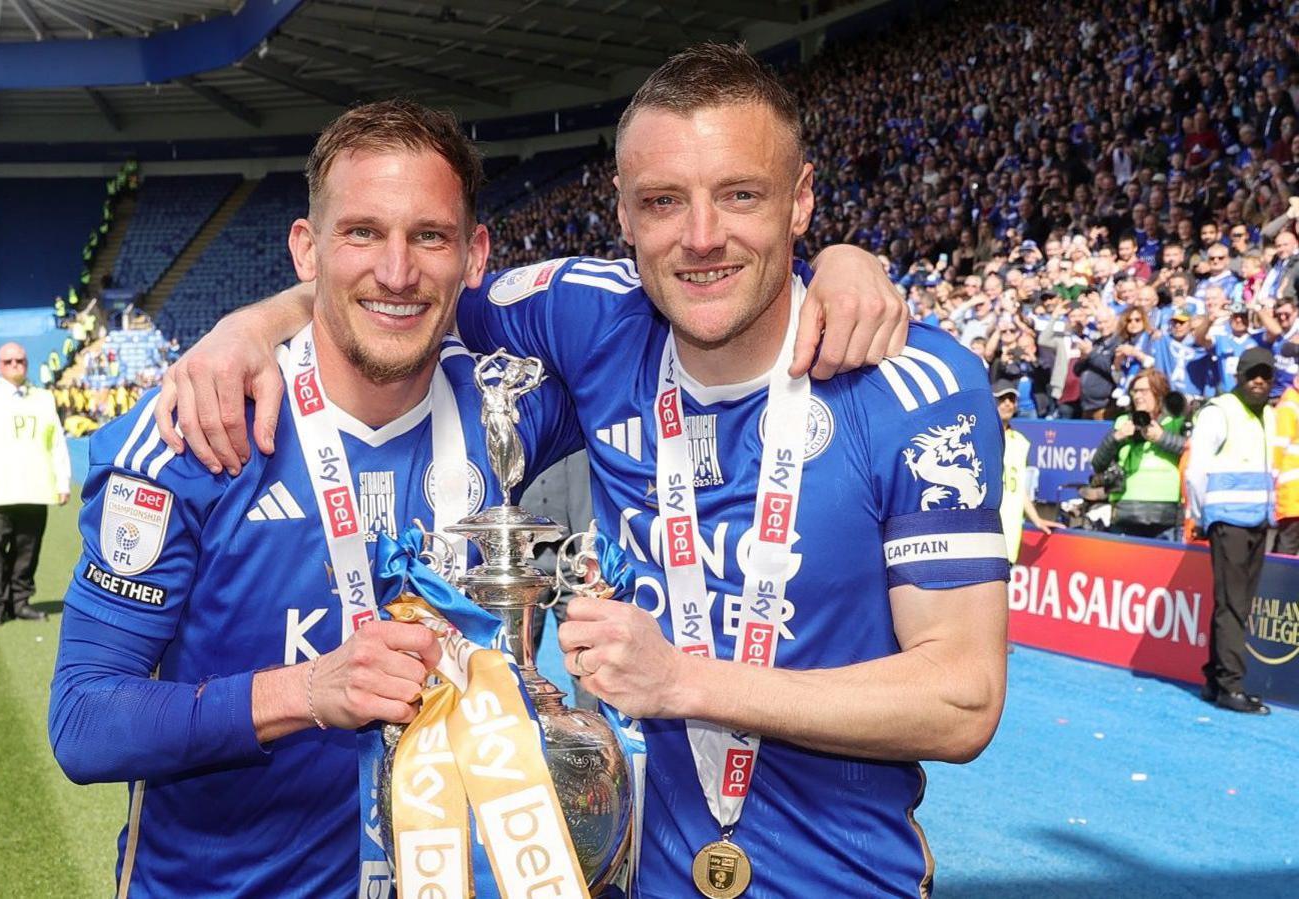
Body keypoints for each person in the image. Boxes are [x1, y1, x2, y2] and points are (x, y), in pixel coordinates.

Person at [157, 45, 1007, 897]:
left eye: (741, 194)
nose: (702, 235)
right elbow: (398, 287)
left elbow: (962, 697)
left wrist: (684, 682)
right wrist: (247, 325)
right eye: (663, 201)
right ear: (624, 215)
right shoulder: (587, 315)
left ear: (801, 201)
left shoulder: (912, 384)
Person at [1185, 347, 1276, 715]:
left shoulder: (1267, 415)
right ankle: (1230, 686)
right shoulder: (1220, 411)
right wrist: (1202, 515)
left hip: (1257, 518)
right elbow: (1196, 468)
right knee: (1233, 605)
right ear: (1239, 375)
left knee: (1235, 603)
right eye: (1253, 373)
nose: (1259, 380)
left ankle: (1214, 678)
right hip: (1227, 520)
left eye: (1265, 375)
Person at [0, 342, 70, 626]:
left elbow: (56, 442)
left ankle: (20, 601)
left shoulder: (44, 398)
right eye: (9, 361)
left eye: (20, 360)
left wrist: (62, 481)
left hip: (36, 487)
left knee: (28, 550)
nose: (15, 365)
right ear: (0, 364)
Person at [1090, 370, 1187, 540]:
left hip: (1166, 510)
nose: (1137, 396)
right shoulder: (1123, 421)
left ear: (1159, 393)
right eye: (1134, 391)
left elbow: (1192, 451)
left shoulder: (1175, 420)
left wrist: (1162, 438)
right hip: (1128, 508)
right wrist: (1117, 437)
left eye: (1144, 391)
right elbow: (1098, 463)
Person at [996, 379, 1057, 562]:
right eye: (1002, 398)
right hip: (982, 531)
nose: (1008, 403)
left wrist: (1036, 519)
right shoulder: (978, 436)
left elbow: (1018, 488)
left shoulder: (1021, 442)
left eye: (1012, 399)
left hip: (1009, 534)